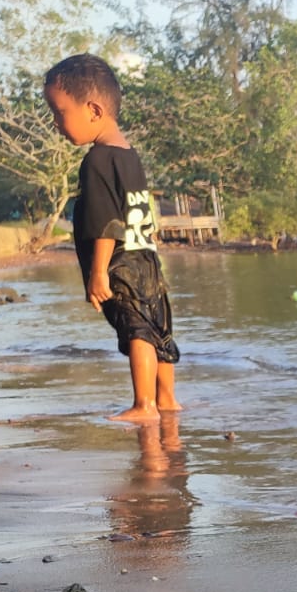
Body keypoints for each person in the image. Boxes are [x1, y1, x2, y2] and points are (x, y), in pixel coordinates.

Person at [43, 53, 181, 422]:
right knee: (156, 326)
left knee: (136, 329)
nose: (57, 123)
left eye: (60, 112)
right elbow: (134, 210)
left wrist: (98, 271)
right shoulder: (129, 156)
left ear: (93, 110)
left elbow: (106, 222)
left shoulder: (97, 161)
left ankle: (143, 405)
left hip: (119, 261)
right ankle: (166, 399)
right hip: (147, 257)